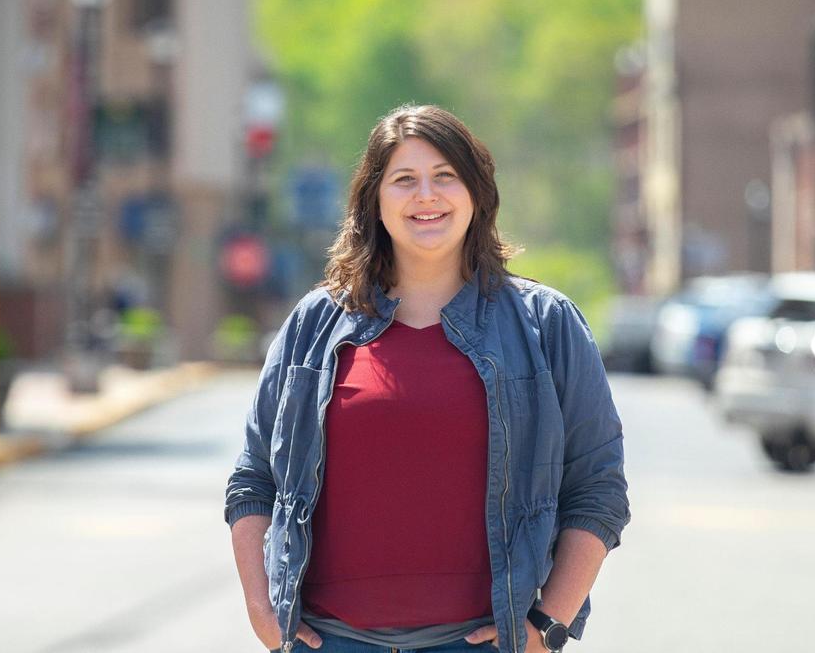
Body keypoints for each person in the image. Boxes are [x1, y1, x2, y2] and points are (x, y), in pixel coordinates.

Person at [225, 105, 629, 653]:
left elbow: (597, 488)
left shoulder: (546, 324)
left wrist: (548, 625)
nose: (426, 196)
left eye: (445, 177)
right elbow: (254, 480)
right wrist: (262, 613)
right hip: (329, 642)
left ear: (477, 193)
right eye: (404, 180)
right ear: (374, 199)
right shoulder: (313, 326)